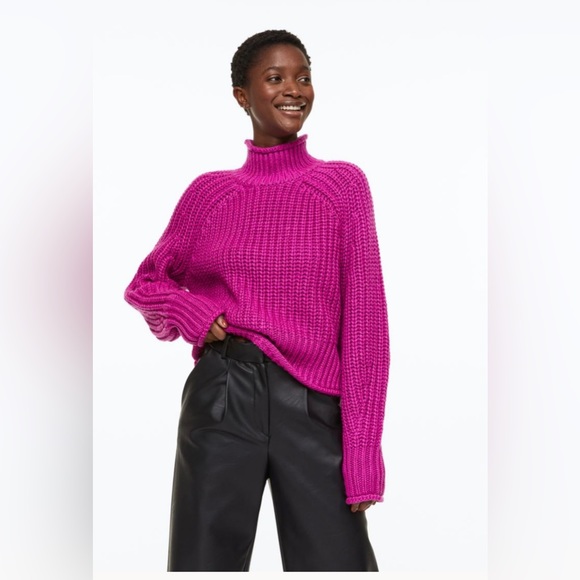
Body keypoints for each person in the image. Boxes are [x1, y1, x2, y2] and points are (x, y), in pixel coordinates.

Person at [124, 29, 390, 572]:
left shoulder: (341, 187)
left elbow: (366, 328)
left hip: (313, 405)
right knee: (203, 566)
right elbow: (146, 284)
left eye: (303, 77)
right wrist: (192, 313)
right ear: (242, 96)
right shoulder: (210, 194)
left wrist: (363, 451)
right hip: (223, 397)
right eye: (275, 78)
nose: (294, 89)